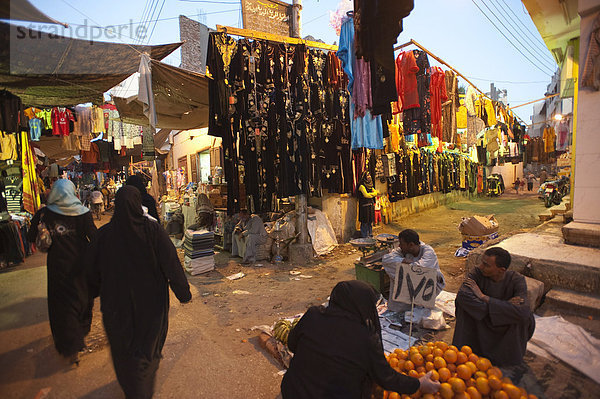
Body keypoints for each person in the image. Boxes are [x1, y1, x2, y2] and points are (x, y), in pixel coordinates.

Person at [85, 186, 191, 398]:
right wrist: (183, 292)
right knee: (147, 348)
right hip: (150, 304)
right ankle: (141, 389)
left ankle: (133, 388)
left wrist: (91, 293)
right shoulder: (152, 230)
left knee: (123, 351)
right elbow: (170, 262)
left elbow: (91, 271)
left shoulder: (104, 235)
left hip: (116, 304)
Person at [281, 281, 440, 398]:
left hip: (292, 391)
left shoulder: (313, 315)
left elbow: (292, 344)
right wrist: (419, 384)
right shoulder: (366, 338)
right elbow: (386, 377)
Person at [26, 179, 97, 365]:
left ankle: (69, 344)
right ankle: (80, 337)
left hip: (57, 267)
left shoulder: (44, 213)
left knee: (61, 304)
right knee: (82, 299)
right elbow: (95, 238)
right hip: (81, 265)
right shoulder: (83, 213)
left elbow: (30, 236)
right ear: (72, 192)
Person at [453, 247, 535, 367]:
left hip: (499, 321)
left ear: (501, 270)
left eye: (486, 265)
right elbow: (463, 295)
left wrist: (484, 298)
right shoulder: (477, 273)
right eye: (482, 262)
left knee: (524, 317)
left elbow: (522, 311)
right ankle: (468, 351)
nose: (481, 266)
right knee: (463, 305)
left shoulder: (517, 280)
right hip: (481, 319)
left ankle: (505, 359)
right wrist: (502, 307)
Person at [357, 172, 378, 238]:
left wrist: (371, 195)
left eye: (369, 175)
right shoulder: (362, 186)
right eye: (367, 175)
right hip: (364, 206)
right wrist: (372, 194)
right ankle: (365, 236)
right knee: (364, 222)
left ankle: (370, 235)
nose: (369, 176)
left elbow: (375, 193)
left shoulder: (370, 185)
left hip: (370, 206)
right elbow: (366, 195)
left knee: (370, 221)